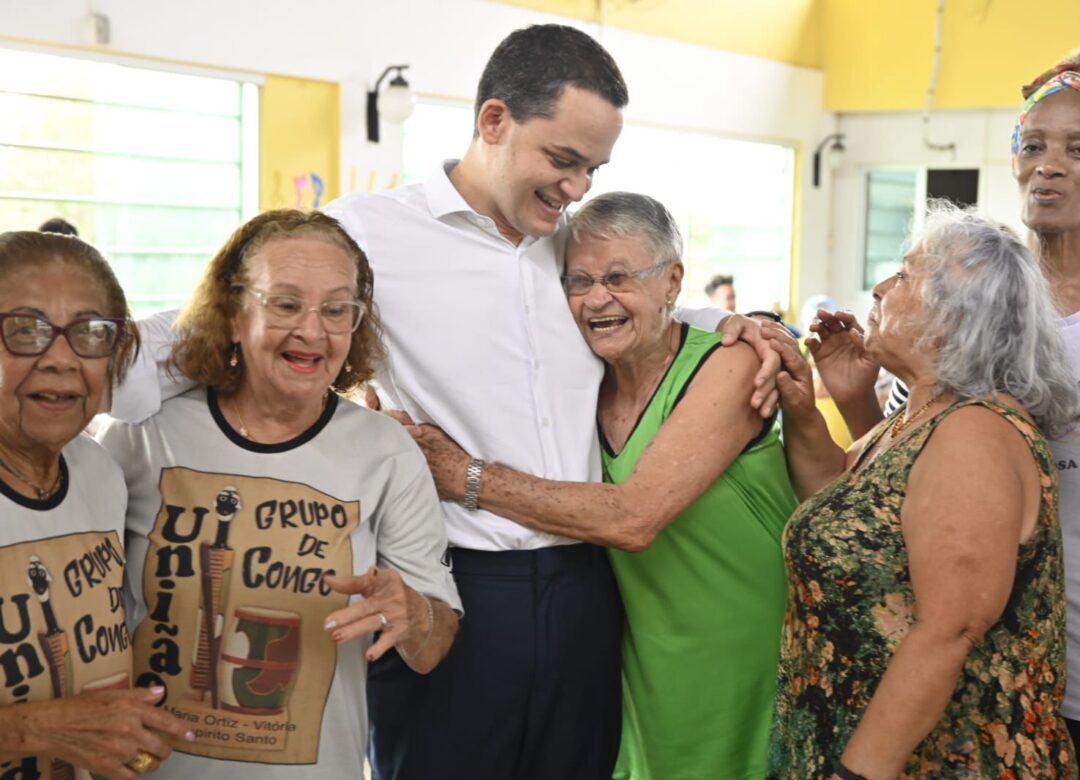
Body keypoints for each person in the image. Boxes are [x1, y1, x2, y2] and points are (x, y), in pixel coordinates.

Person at [323, 23, 784, 780]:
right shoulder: (367, 232)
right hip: (453, 582)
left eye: (592, 170)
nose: (575, 189)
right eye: (563, 160)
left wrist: (740, 322)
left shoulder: (571, 244)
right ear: (494, 121)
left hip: (589, 590)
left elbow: (644, 304)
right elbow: (250, 323)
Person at [818, 48, 1080, 780]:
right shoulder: (962, 314)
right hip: (981, 683)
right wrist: (852, 399)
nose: (1049, 166)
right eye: (1032, 146)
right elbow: (906, 480)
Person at [400, 192, 797, 780]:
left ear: (672, 281)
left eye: (618, 277)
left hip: (744, 653)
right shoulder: (582, 383)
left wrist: (463, 476)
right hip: (641, 660)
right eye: (577, 281)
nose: (595, 298)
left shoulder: (733, 363)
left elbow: (633, 518)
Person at [95, 210, 461, 779]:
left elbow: (434, 644)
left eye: (337, 310)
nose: (313, 332)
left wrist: (412, 615)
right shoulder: (145, 435)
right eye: (285, 304)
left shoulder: (387, 452)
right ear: (234, 313)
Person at [770, 203, 1080, 779]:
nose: (883, 286)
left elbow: (950, 629)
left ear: (953, 315)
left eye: (905, 274)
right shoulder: (919, 414)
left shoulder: (974, 432)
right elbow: (853, 523)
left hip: (941, 760)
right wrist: (817, 403)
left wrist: (856, 774)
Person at [0, 231, 194, 779]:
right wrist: (40, 728)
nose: (62, 359)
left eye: (91, 333)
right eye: (25, 331)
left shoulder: (99, 472)